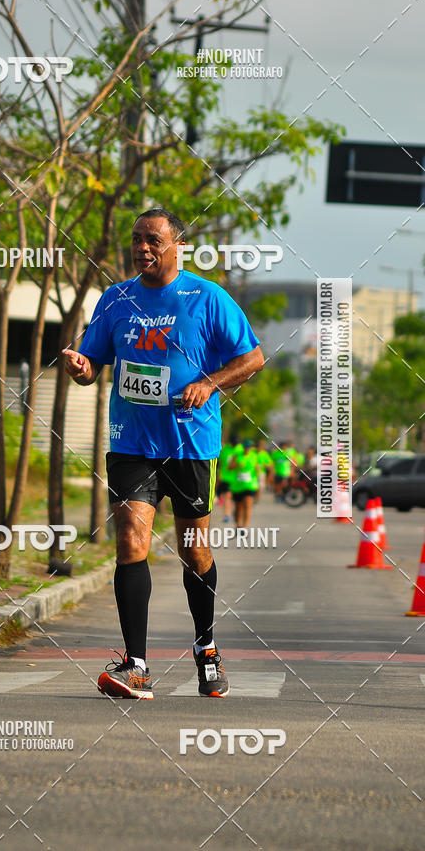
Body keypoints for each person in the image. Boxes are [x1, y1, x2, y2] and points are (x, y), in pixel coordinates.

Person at [63, 209, 263, 699]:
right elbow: (94, 362)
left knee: (194, 549)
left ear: (177, 246)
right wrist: (82, 366)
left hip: (191, 443)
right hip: (131, 441)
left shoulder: (206, 297)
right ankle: (136, 665)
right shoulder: (117, 298)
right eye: (136, 240)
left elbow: (253, 357)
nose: (142, 248)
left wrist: (208, 383)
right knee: (131, 540)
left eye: (153, 239)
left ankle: (207, 649)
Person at [229, 439, 259, 527]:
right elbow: (229, 467)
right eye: (246, 447)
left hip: (250, 485)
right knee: (238, 507)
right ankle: (238, 525)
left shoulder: (254, 456)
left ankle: (245, 527)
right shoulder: (237, 456)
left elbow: (257, 468)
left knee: (247, 504)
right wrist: (237, 465)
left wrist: (257, 470)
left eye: (249, 447)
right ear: (243, 447)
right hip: (237, 486)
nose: (248, 449)